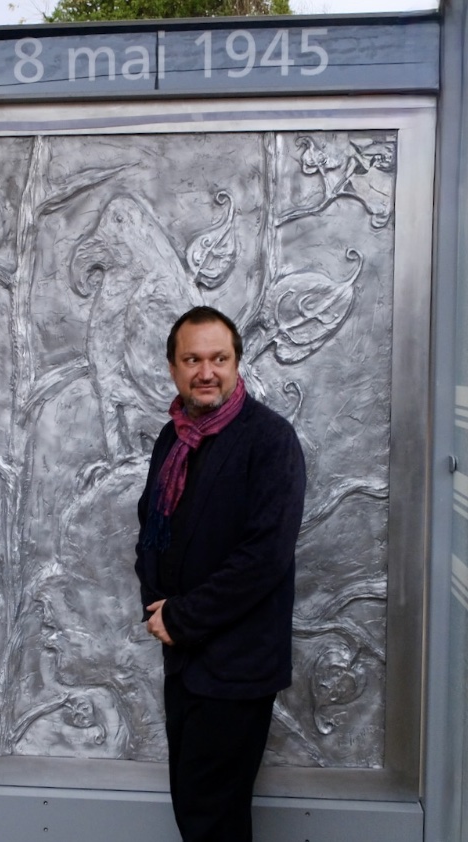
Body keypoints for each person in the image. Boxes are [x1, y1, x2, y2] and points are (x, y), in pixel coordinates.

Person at [135, 305, 306, 842]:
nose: (206, 371)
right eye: (192, 360)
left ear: (236, 363)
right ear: (173, 368)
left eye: (219, 359)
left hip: (237, 666)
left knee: (212, 817)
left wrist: (181, 617)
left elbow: (264, 557)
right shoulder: (173, 438)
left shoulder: (270, 439)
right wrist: (157, 607)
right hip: (184, 658)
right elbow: (151, 527)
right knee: (196, 808)